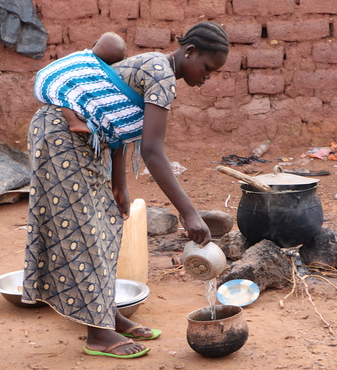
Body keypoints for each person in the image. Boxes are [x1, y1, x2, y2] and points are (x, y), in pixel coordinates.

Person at [22, 21, 229, 359]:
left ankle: (106, 315)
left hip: (82, 141)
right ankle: (99, 336)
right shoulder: (162, 75)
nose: (208, 76)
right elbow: (152, 151)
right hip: (59, 136)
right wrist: (189, 213)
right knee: (84, 230)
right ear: (190, 52)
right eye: (207, 67)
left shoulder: (156, 69)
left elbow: (113, 121)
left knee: (107, 223)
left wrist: (118, 185)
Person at [63, 32, 128, 133]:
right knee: (65, 92)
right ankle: (74, 122)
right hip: (57, 88)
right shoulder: (86, 63)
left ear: (94, 43)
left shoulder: (87, 63)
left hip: (53, 85)